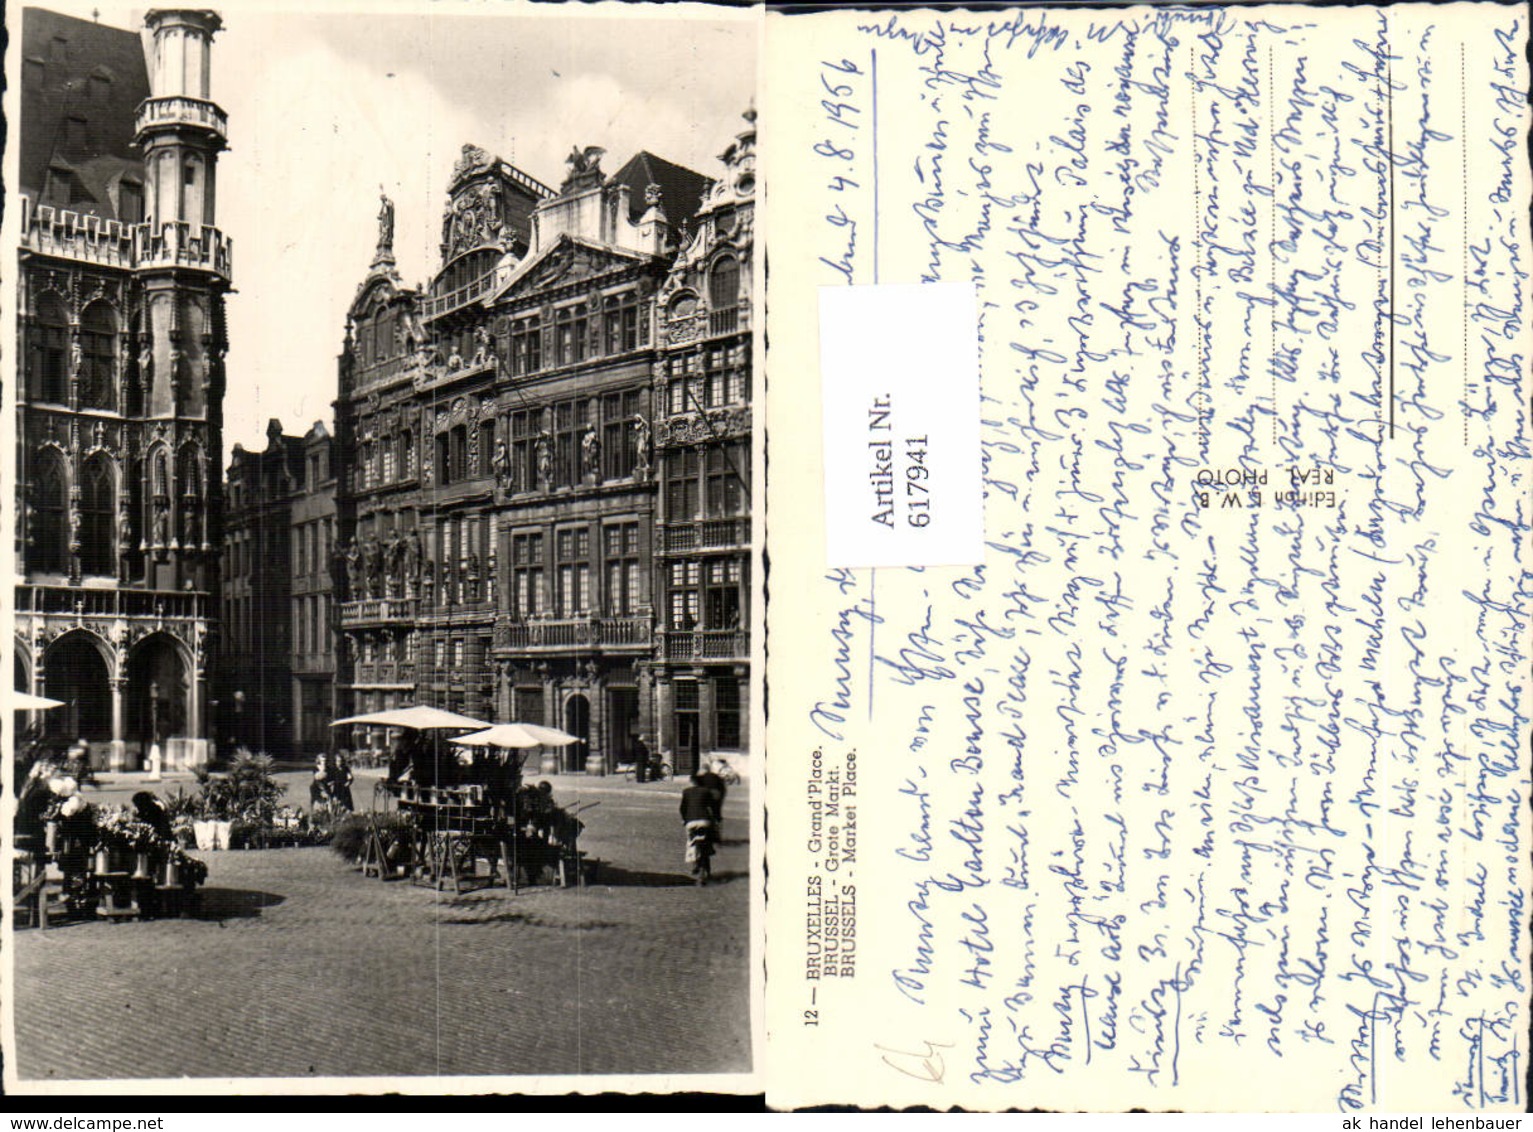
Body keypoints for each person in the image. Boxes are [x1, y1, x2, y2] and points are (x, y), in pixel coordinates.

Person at [679, 773, 719, 885]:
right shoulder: (706, 791)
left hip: (691, 822)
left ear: (690, 781)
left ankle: (695, 863)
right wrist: (716, 819)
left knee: (691, 843)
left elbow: (682, 808)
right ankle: (706, 866)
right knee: (707, 842)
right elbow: (713, 806)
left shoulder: (686, 792)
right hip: (705, 821)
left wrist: (684, 819)